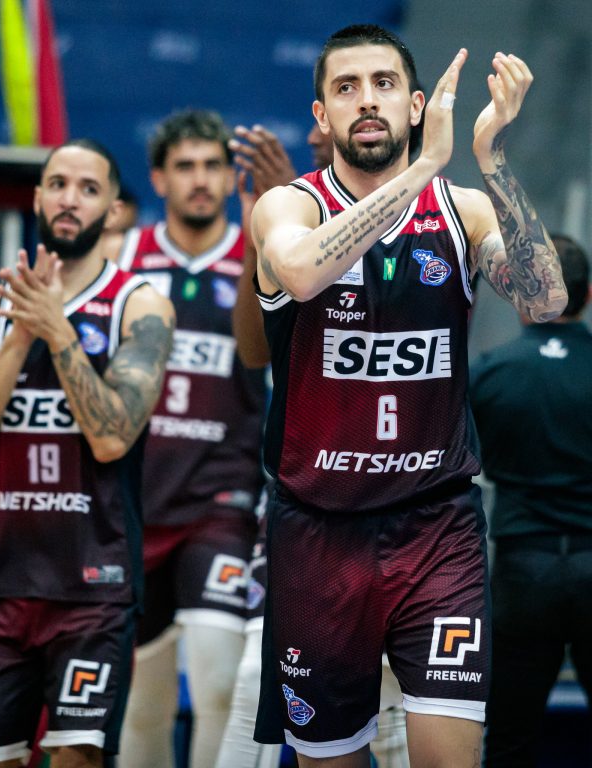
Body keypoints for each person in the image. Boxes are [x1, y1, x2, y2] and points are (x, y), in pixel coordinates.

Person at [249, 23, 567, 768]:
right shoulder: (288, 207)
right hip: (319, 533)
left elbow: (547, 300)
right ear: (322, 114)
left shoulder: (462, 210)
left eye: (384, 84)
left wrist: (490, 158)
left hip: (437, 528)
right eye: (347, 88)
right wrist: (422, 166)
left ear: (417, 104)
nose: (367, 101)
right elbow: (300, 274)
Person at [0, 138, 174, 768]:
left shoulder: (140, 305)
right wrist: (22, 333)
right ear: (38, 197)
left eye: (89, 188)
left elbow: (111, 437)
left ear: (115, 211)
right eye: (58, 184)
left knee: (76, 760)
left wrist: (57, 328)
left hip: (93, 588)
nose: (71, 199)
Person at [220, 123, 408, 768]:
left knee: (396, 704)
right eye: (336, 98)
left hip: (407, 498)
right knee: (257, 682)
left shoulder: (433, 216)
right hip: (308, 502)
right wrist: (262, 240)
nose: (321, 136)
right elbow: (253, 351)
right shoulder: (292, 213)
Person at [112, 109, 268, 768]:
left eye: (212, 166)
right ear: (159, 179)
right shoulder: (124, 257)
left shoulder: (260, 252)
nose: (200, 180)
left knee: (219, 682)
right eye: (185, 167)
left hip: (222, 500)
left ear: (230, 177)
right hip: (137, 503)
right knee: (140, 704)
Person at [469, 234, 592, 768]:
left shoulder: (489, 371)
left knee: (509, 743)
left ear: (520, 293)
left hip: (522, 571)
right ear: (589, 294)